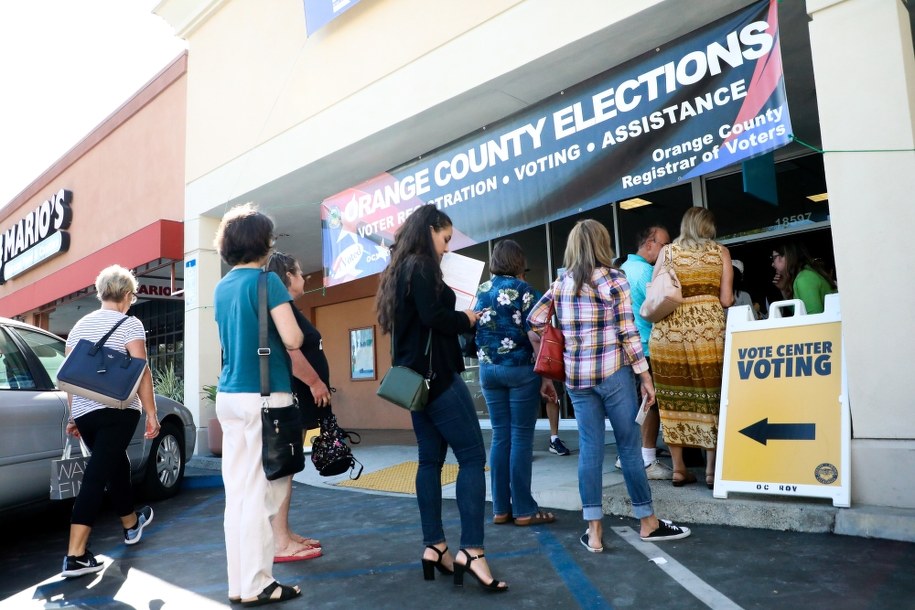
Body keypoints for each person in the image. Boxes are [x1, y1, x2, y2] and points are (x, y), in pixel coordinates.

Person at [528, 219, 691, 553]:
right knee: (629, 447)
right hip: (615, 374)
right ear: (602, 244)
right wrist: (645, 376)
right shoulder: (615, 278)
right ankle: (647, 522)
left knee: (589, 449)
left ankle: (595, 532)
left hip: (577, 378)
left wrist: (564, 338)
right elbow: (628, 333)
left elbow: (534, 319)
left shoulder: (561, 282)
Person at [375, 204, 507, 592]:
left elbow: (419, 323)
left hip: (415, 383)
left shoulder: (399, 269)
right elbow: (435, 318)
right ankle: (473, 552)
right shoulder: (423, 265)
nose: (447, 248)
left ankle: (434, 545)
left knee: (429, 461)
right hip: (440, 380)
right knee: (472, 458)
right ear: (430, 229)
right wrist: (466, 319)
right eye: (445, 238)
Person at [213, 203, 304, 606]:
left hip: (229, 396)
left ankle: (240, 581)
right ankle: (257, 583)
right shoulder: (268, 283)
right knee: (263, 494)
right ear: (261, 242)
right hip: (265, 397)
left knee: (238, 494)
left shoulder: (221, 286)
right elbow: (294, 338)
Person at [60, 265, 159, 578]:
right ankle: (75, 556)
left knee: (115, 464)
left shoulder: (78, 328)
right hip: (117, 411)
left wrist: (76, 415)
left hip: (87, 413)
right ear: (127, 295)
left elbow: (71, 377)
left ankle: (131, 524)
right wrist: (151, 412)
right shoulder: (130, 324)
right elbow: (142, 370)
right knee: (97, 473)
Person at [649, 208, 733, 490]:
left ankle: (679, 469)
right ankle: (710, 471)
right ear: (708, 227)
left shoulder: (668, 252)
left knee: (674, 399)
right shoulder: (720, 252)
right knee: (711, 397)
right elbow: (726, 299)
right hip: (708, 333)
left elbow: (656, 290)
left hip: (668, 333)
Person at [473, 239, 556, 527]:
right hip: (520, 370)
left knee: (500, 436)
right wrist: (547, 376)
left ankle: (500, 508)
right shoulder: (526, 291)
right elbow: (537, 335)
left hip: (488, 370)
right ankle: (523, 509)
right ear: (518, 262)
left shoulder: (481, 290)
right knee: (521, 437)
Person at [265, 251, 333, 563]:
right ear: (287, 277)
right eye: (300, 272)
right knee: (282, 472)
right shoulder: (282, 310)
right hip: (287, 399)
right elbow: (291, 353)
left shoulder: (287, 308)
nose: (305, 277)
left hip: (292, 401)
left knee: (287, 471)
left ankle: (283, 534)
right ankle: (279, 542)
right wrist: (316, 382)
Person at [619, 224, 674, 480]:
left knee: (632, 406)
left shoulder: (622, 270)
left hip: (624, 350)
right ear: (649, 243)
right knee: (651, 404)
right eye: (666, 245)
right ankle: (648, 459)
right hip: (646, 346)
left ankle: (628, 455)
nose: (669, 250)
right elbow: (660, 309)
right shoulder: (647, 273)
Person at [770, 241, 837, 315]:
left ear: (786, 256)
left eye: (773, 258)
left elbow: (813, 318)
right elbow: (798, 312)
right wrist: (784, 289)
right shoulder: (805, 275)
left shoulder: (804, 279)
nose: (772, 264)